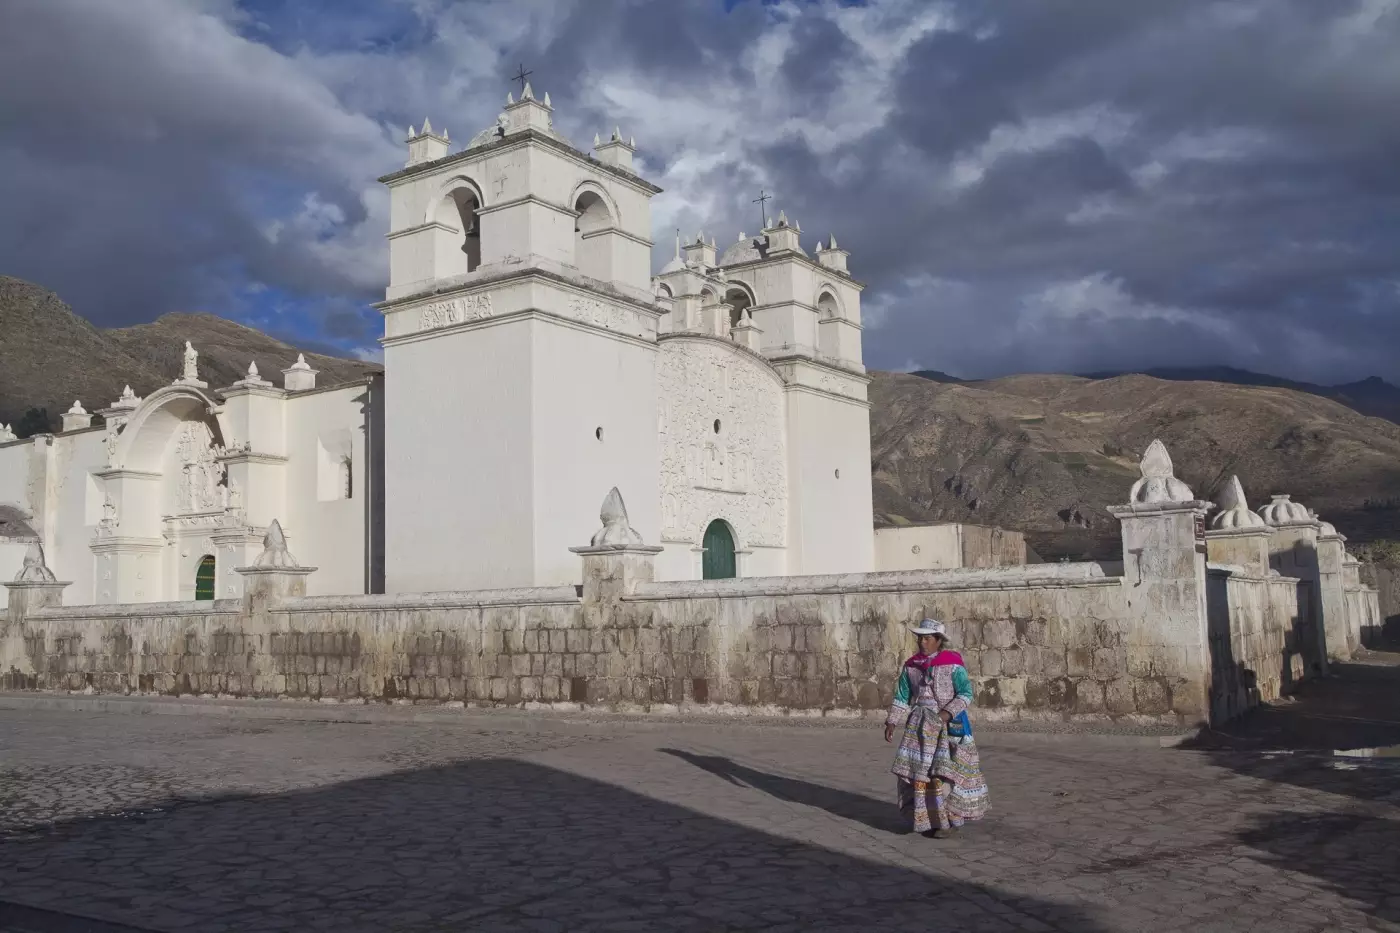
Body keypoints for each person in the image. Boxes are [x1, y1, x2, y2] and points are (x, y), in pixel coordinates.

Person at [884, 619, 990, 837]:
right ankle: (929, 819)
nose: (923, 642)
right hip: (920, 728)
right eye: (920, 638)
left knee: (945, 775)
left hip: (949, 727)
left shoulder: (953, 665)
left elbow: (965, 694)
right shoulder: (911, 666)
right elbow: (903, 696)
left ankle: (947, 820)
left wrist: (944, 715)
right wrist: (892, 720)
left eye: (927, 638)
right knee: (921, 774)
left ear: (938, 641)